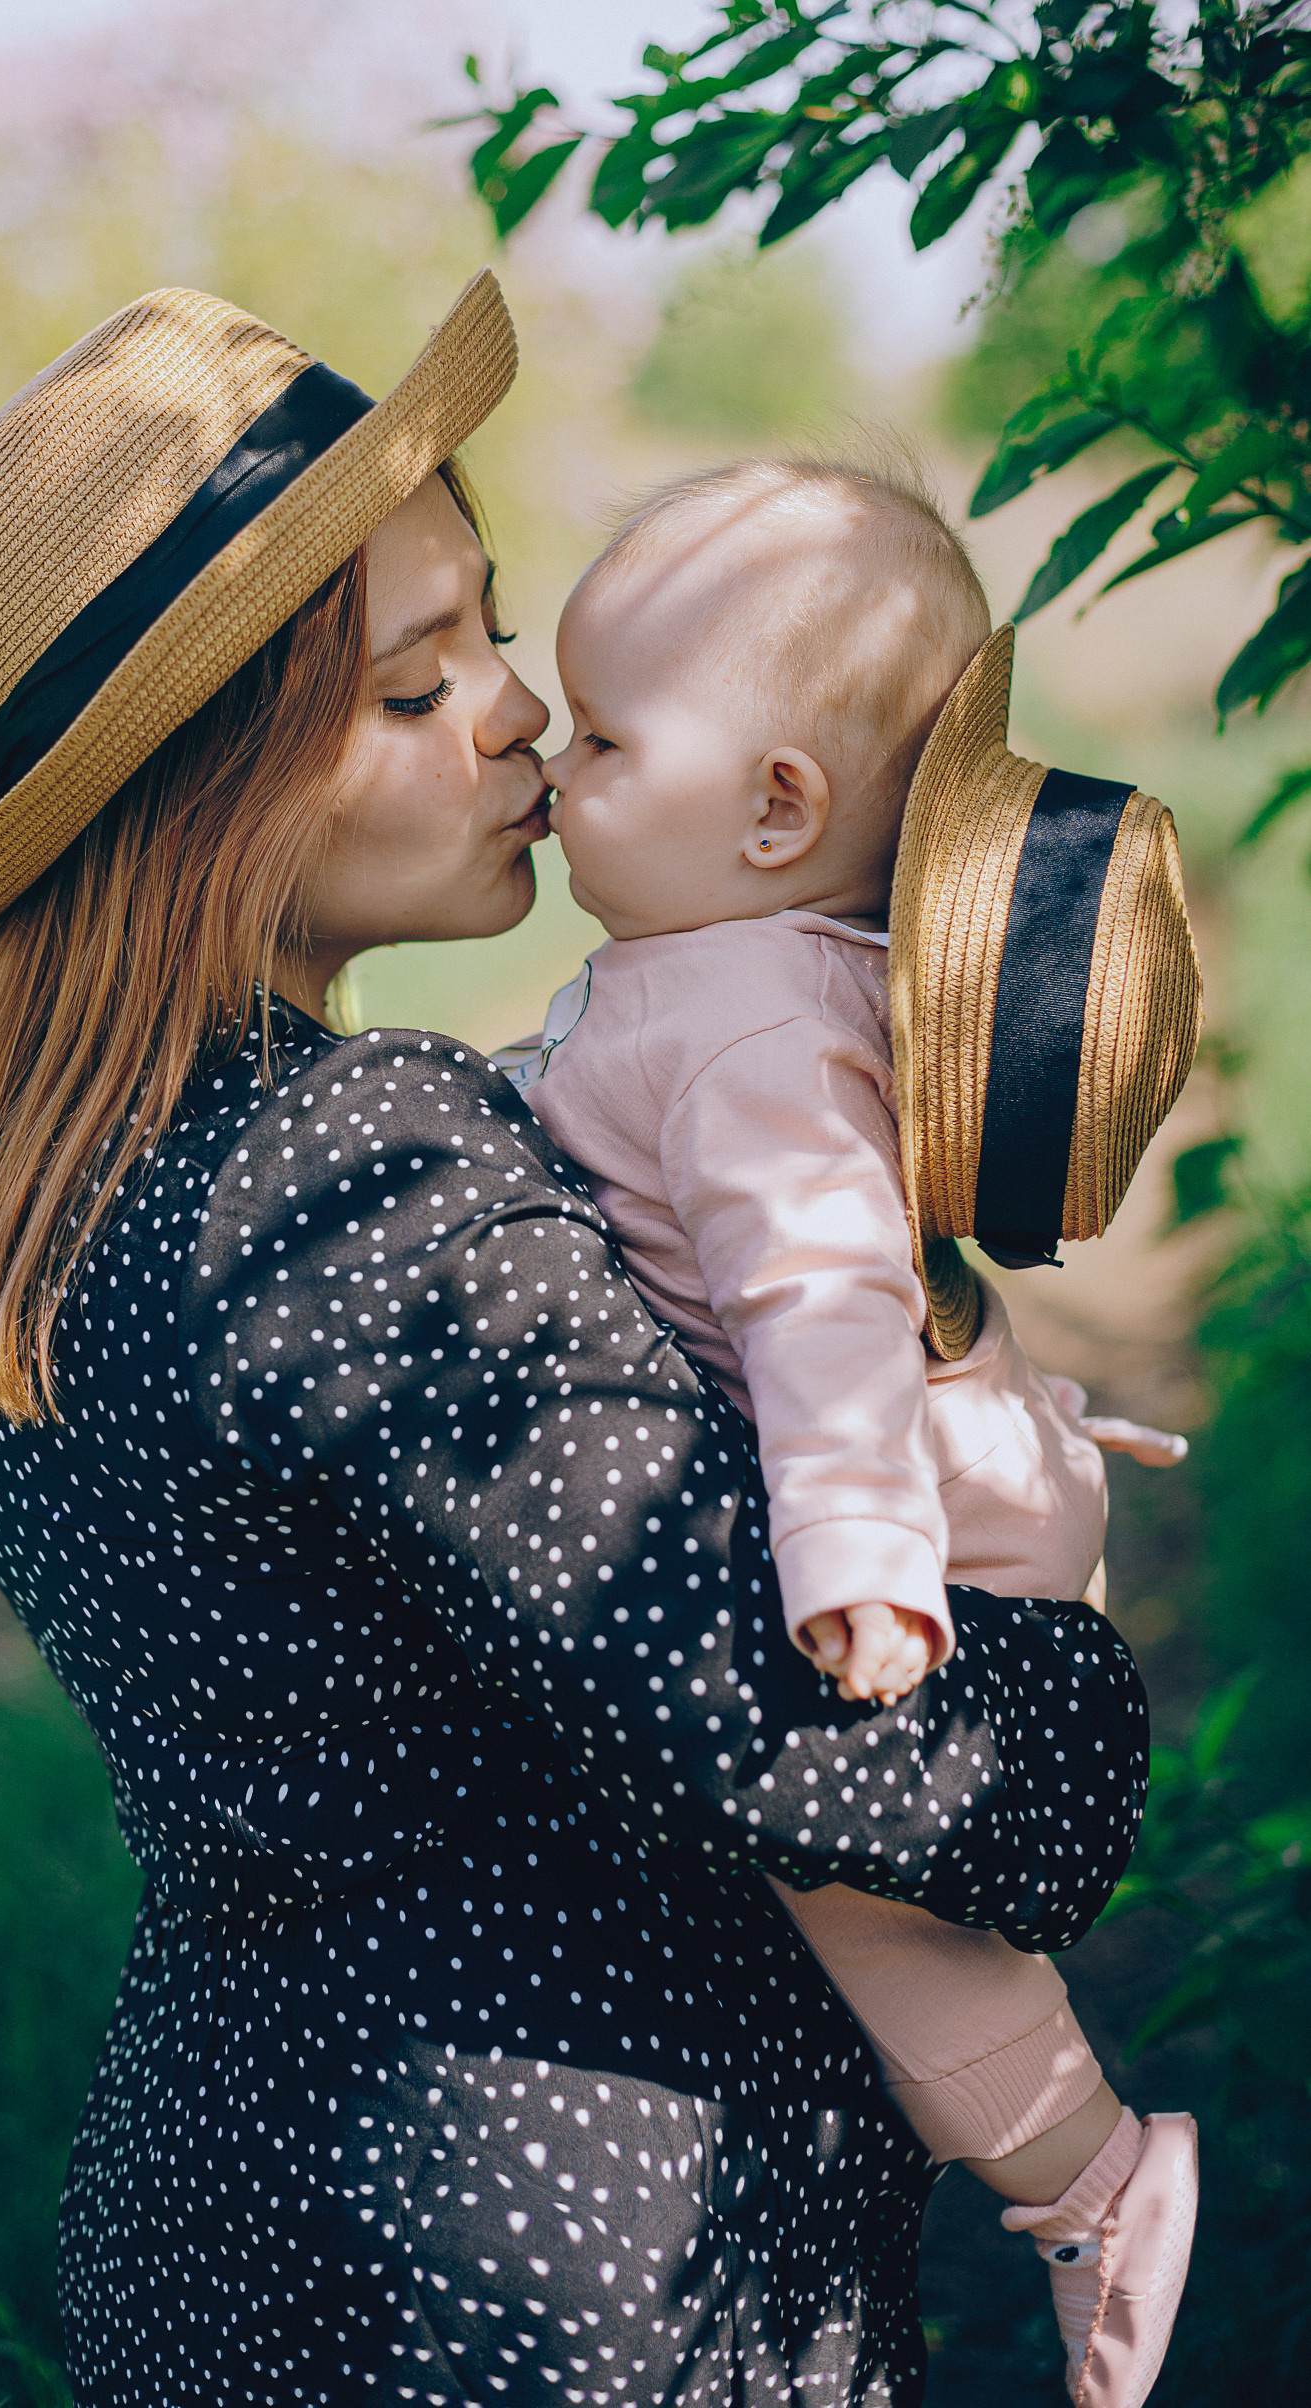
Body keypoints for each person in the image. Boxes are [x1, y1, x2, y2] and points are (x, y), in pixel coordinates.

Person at [0, 276, 1149, 2408]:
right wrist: (1059, 1667)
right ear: (213, 792)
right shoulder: (360, 1165)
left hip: (235, 2211)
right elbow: (870, 1753)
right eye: (418, 687)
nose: (515, 711)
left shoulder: (10, 1170)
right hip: (562, 2250)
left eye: (491, 626)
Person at [507, 454, 1201, 2407]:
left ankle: (1095, 2184)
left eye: (606, 732)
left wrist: (860, 1561)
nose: (553, 755)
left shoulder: (744, 1025)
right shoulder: (734, 974)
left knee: (877, 1898)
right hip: (953, 1450)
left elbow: (819, 1296)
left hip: (910, 1506)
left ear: (778, 805)